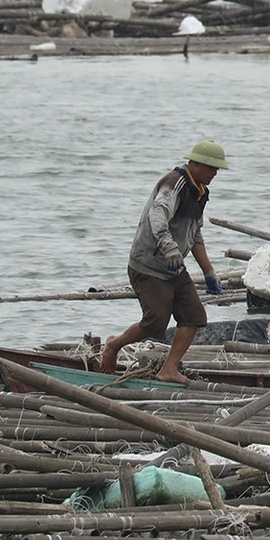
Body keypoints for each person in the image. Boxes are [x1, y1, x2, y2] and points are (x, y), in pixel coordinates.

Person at [99, 141, 229, 384]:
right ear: (196, 164)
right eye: (212, 168)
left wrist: (209, 271)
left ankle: (168, 369)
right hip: (148, 265)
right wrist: (169, 248)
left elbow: (195, 234)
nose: (215, 174)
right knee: (155, 322)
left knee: (194, 316)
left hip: (174, 267)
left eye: (217, 170)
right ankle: (114, 345)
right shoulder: (174, 184)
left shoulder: (199, 191)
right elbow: (157, 215)